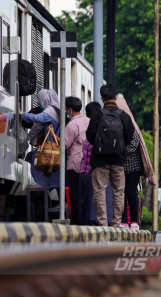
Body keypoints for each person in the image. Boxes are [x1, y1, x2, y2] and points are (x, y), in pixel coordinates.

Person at [85, 84, 135, 227]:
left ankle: (102, 223)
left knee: (99, 191)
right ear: (116, 98)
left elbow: (89, 137)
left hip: (99, 159)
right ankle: (116, 223)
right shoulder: (124, 116)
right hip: (119, 160)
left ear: (102, 99)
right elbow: (130, 138)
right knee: (118, 192)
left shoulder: (97, 114)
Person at [116, 95, 156, 230]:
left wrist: (117, 149)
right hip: (120, 165)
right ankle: (122, 221)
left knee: (130, 192)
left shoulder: (131, 125)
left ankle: (133, 221)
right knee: (120, 192)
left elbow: (133, 146)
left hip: (133, 166)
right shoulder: (116, 124)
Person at [48, 97, 89, 225]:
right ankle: (87, 219)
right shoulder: (89, 121)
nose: (66, 111)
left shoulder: (71, 125)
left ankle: (77, 221)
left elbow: (65, 144)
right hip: (88, 163)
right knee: (86, 193)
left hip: (75, 163)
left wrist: (52, 135)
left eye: (66, 109)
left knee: (75, 195)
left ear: (70, 109)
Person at [20, 89, 61, 198]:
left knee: (35, 158)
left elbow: (38, 119)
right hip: (55, 145)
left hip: (50, 145)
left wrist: (22, 114)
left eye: (41, 101)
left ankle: (42, 184)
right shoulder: (58, 107)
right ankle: (46, 185)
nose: (40, 104)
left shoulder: (50, 110)